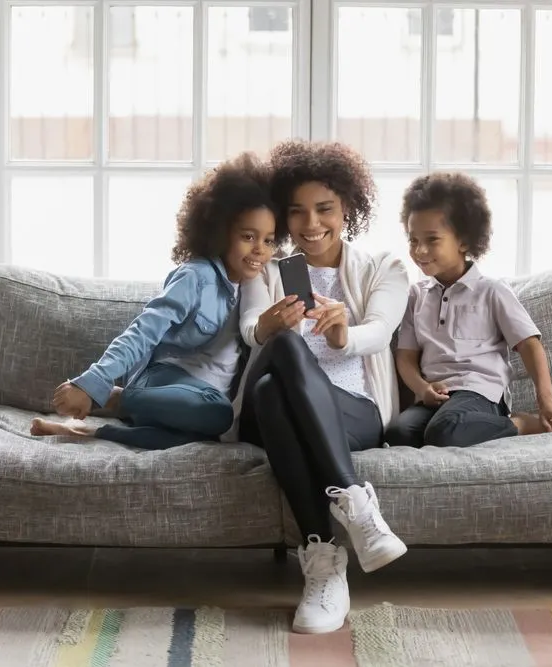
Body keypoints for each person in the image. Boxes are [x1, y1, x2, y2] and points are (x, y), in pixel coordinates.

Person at [234, 140, 409, 635]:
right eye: (297, 212)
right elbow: (250, 327)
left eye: (324, 209)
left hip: (349, 412)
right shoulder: (265, 270)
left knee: (273, 395)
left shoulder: (385, 269)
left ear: (347, 207)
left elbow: (380, 330)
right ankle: (355, 503)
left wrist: (342, 335)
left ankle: (324, 565)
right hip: (259, 417)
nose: (311, 224)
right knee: (287, 349)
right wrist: (269, 324)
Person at [30, 153, 277, 449]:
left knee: (203, 434)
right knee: (217, 413)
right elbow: (142, 332)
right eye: (248, 236)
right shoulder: (196, 277)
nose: (260, 250)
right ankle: (118, 398)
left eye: (269, 240)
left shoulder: (258, 283)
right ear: (220, 231)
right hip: (164, 381)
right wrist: (92, 382)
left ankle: (83, 432)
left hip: (200, 403)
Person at [385, 172, 552, 450]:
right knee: (398, 435)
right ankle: (449, 424)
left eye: (432, 240)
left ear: (464, 241)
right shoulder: (416, 295)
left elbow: (529, 345)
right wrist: (422, 389)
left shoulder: (492, 291)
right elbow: (406, 357)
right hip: (435, 395)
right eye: (413, 240)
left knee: (445, 431)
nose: (420, 250)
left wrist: (546, 397)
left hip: (480, 392)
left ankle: (518, 424)